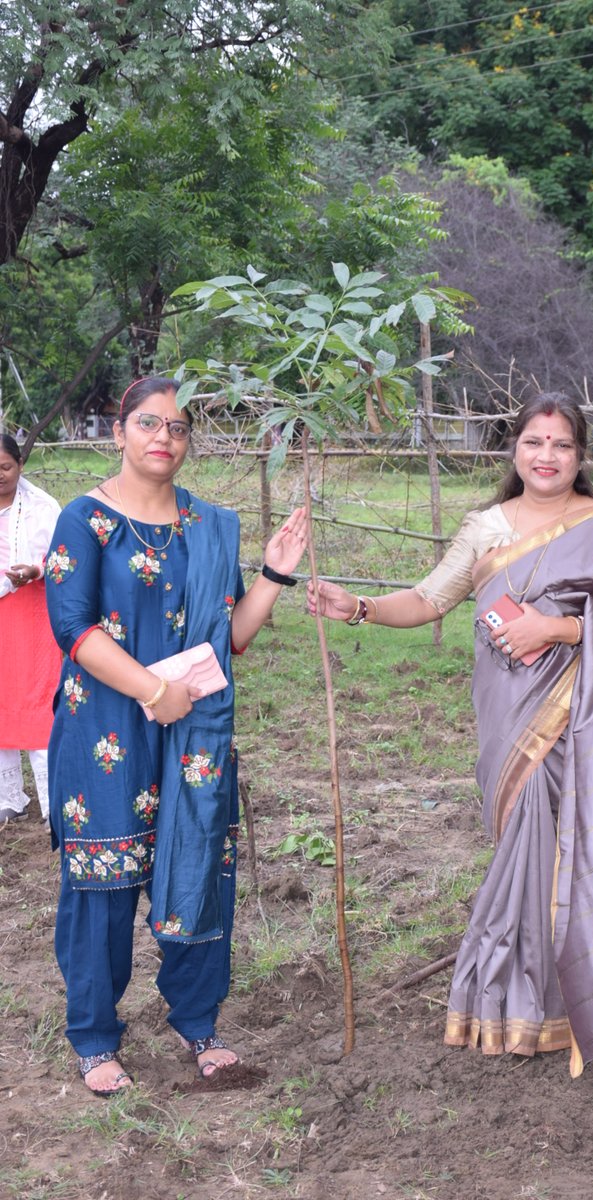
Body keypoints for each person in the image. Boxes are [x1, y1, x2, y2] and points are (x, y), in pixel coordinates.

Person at [308, 392, 593, 1077]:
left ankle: (568, 1000)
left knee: (571, 846)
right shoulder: (487, 528)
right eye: (534, 442)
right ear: (513, 450)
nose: (547, 456)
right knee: (523, 842)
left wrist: (554, 628)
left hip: (590, 720)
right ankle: (526, 1003)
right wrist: (360, 608)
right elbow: (430, 599)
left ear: (580, 457)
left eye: (562, 445)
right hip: (509, 719)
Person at [45, 376, 308, 1096]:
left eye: (179, 427)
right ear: (119, 430)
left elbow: (227, 643)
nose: (164, 438)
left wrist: (275, 575)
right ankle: (96, 1037)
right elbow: (72, 627)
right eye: (149, 424)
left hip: (192, 733)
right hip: (107, 731)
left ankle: (199, 1024)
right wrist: (152, 690)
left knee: (198, 870)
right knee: (102, 882)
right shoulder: (85, 519)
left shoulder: (209, 525)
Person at [0, 433, 62, 822]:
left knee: (39, 702)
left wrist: (36, 569)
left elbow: (62, 556)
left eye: (4, 467)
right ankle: (8, 798)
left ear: (20, 464)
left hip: (32, 614)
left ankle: (53, 799)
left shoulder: (43, 507)